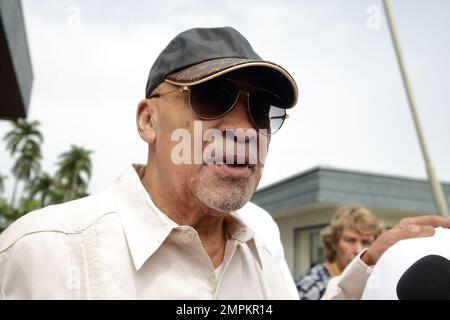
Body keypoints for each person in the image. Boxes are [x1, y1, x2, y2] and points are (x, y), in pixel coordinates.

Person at [1, 26, 449, 300]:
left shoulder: (260, 259)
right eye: (213, 97)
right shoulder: (41, 255)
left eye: (262, 110)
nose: (244, 129)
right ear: (148, 119)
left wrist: (369, 266)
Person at [296, 205, 383, 300]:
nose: (359, 250)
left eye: (366, 242)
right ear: (334, 242)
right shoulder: (309, 286)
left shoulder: (377, 282)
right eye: (350, 240)